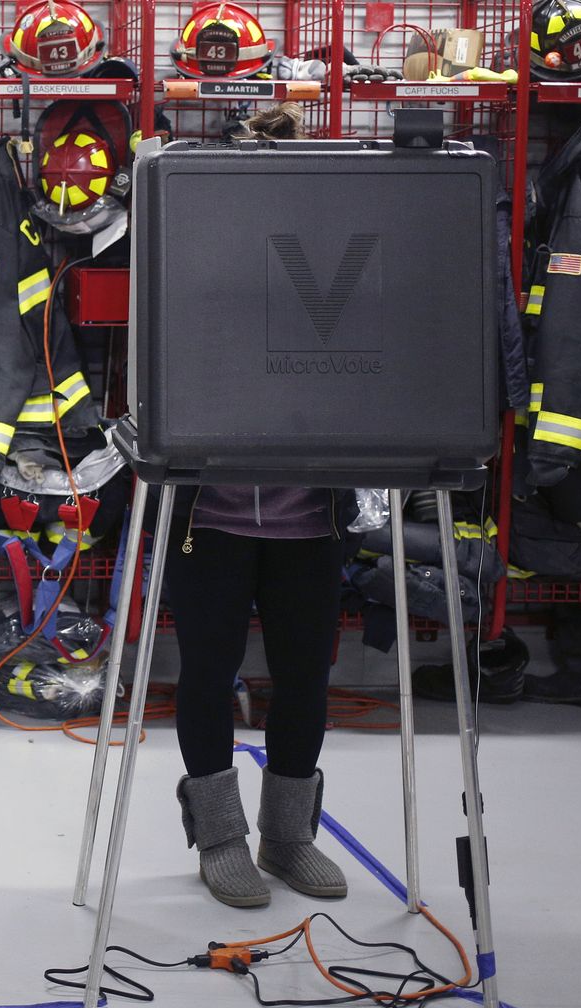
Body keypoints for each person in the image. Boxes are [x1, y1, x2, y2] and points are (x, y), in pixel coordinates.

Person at [165, 104, 349, 909]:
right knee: (208, 674)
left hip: (311, 515)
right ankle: (220, 838)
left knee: (306, 675)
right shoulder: (194, 260)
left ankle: (288, 835)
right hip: (213, 513)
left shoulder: (332, 265)